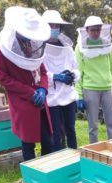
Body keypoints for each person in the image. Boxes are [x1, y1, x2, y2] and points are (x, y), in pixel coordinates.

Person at [0, 6, 53, 161]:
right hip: (22, 103)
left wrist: (43, 89)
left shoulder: (34, 45)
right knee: (28, 144)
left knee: (48, 141)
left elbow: (43, 70)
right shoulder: (4, 48)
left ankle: (46, 175)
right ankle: (31, 179)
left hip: (41, 102)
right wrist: (29, 93)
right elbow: (2, 77)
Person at [75, 16, 112, 143]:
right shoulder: (80, 47)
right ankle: (94, 155)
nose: (96, 32)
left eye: (98, 29)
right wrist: (79, 95)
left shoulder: (107, 45)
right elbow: (78, 71)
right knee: (93, 126)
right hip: (90, 89)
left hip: (107, 88)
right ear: (86, 30)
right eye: (93, 30)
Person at [42, 10, 79, 151]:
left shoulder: (67, 48)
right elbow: (40, 74)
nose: (53, 29)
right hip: (52, 97)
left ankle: (75, 158)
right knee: (56, 132)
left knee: (71, 129)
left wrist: (72, 75)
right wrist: (55, 77)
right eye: (50, 25)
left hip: (68, 95)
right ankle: (58, 163)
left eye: (55, 25)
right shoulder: (40, 48)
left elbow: (77, 69)